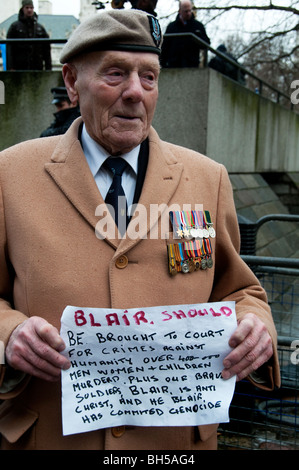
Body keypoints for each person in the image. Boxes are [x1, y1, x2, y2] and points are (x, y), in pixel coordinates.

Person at [0, 9, 279, 451]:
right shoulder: (10, 173)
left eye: (149, 77)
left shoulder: (208, 179)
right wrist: (9, 333)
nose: (135, 92)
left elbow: (240, 291)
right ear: (72, 81)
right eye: (115, 73)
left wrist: (255, 325)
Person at [160, 0, 210, 68]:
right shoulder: (172, 27)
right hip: (174, 65)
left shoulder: (198, 26)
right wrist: (163, 64)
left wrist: (199, 38)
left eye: (190, 10)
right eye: (186, 11)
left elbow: (206, 44)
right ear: (180, 11)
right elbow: (165, 47)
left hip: (192, 65)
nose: (188, 13)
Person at [6, 0, 52, 71]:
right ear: (22, 9)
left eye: (31, 8)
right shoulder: (14, 27)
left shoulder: (40, 28)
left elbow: (46, 50)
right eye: (27, 7)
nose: (29, 10)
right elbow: (9, 49)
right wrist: (10, 67)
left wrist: (48, 68)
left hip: (37, 67)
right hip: (19, 67)